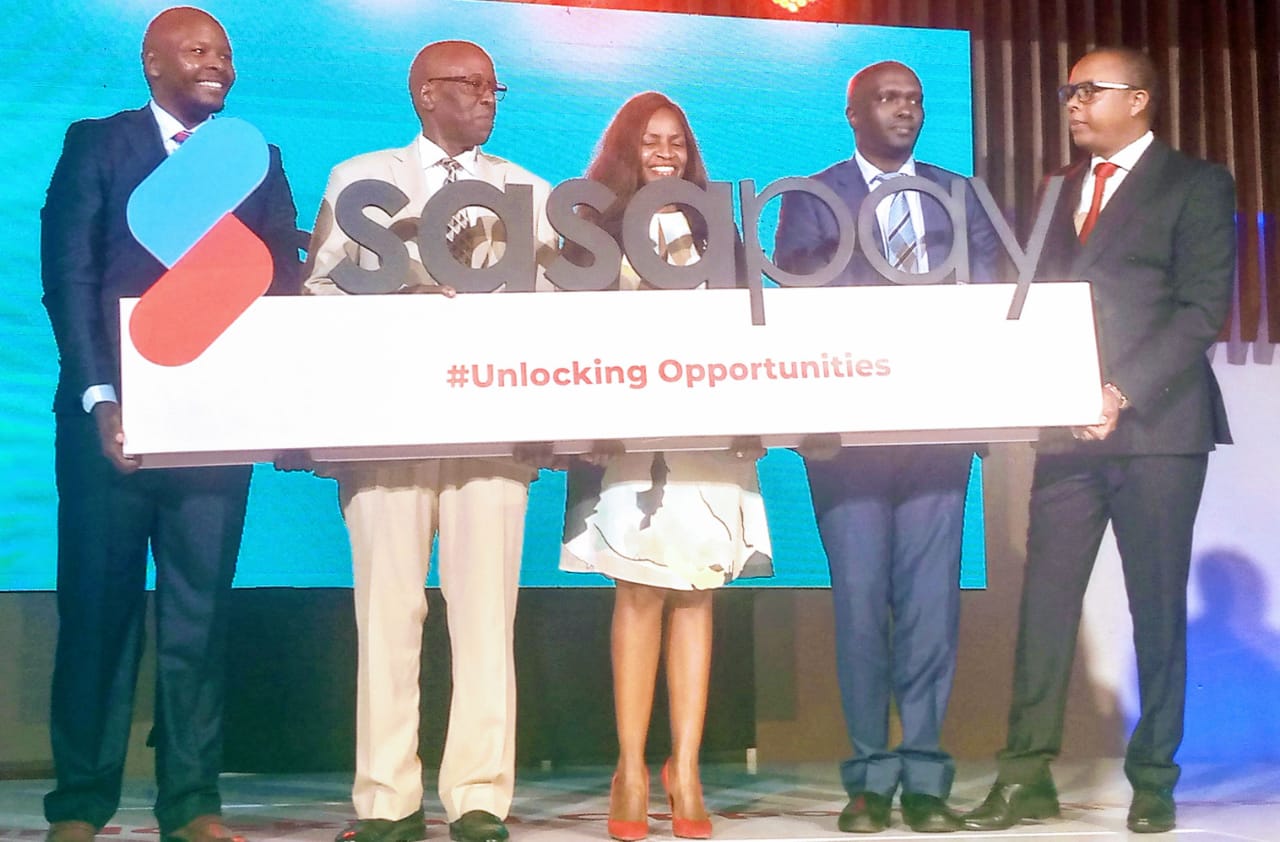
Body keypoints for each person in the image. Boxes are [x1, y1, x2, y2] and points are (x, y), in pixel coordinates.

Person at [39, 7, 300, 842]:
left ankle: (192, 802)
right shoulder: (99, 144)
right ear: (152, 64)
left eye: (225, 52)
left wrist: (275, 406)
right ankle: (81, 804)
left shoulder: (258, 159)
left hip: (213, 428)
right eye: (196, 50)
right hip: (108, 424)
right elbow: (71, 275)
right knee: (97, 615)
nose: (217, 62)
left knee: (200, 619)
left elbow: (281, 287)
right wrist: (100, 398)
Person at [962, 47, 1235, 836]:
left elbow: (1201, 310)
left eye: (1089, 90)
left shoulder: (1196, 183)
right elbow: (1043, 303)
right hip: (1067, 433)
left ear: (1139, 99)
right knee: (1044, 605)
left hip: (1157, 431)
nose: (1072, 103)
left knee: (1156, 607)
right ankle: (1025, 776)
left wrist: (1119, 392)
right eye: (1067, 91)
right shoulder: (1058, 186)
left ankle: (1154, 781)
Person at [303, 40, 558, 842]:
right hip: (389, 425)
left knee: (485, 617)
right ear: (424, 94)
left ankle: (479, 796)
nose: (486, 98)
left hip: (492, 428)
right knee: (388, 614)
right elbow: (318, 289)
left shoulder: (529, 191)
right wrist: (406, 297)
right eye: (471, 85)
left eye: (494, 88)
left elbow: (560, 305)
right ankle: (388, 799)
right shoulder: (359, 180)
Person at [772, 61, 998, 834]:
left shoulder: (962, 195)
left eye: (915, 100)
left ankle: (926, 780)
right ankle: (869, 779)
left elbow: (992, 295)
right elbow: (799, 295)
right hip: (849, 440)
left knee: (931, 612)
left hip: (938, 433)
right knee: (862, 611)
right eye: (889, 99)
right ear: (854, 113)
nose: (906, 111)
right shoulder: (811, 196)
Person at [559, 91, 774, 841]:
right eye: (651, 140)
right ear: (626, 147)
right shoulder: (591, 224)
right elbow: (568, 335)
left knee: (697, 594)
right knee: (639, 592)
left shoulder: (718, 225)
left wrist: (751, 419)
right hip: (627, 439)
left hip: (706, 434)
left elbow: (750, 327)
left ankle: (685, 769)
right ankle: (628, 767)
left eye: (677, 141)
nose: (666, 152)